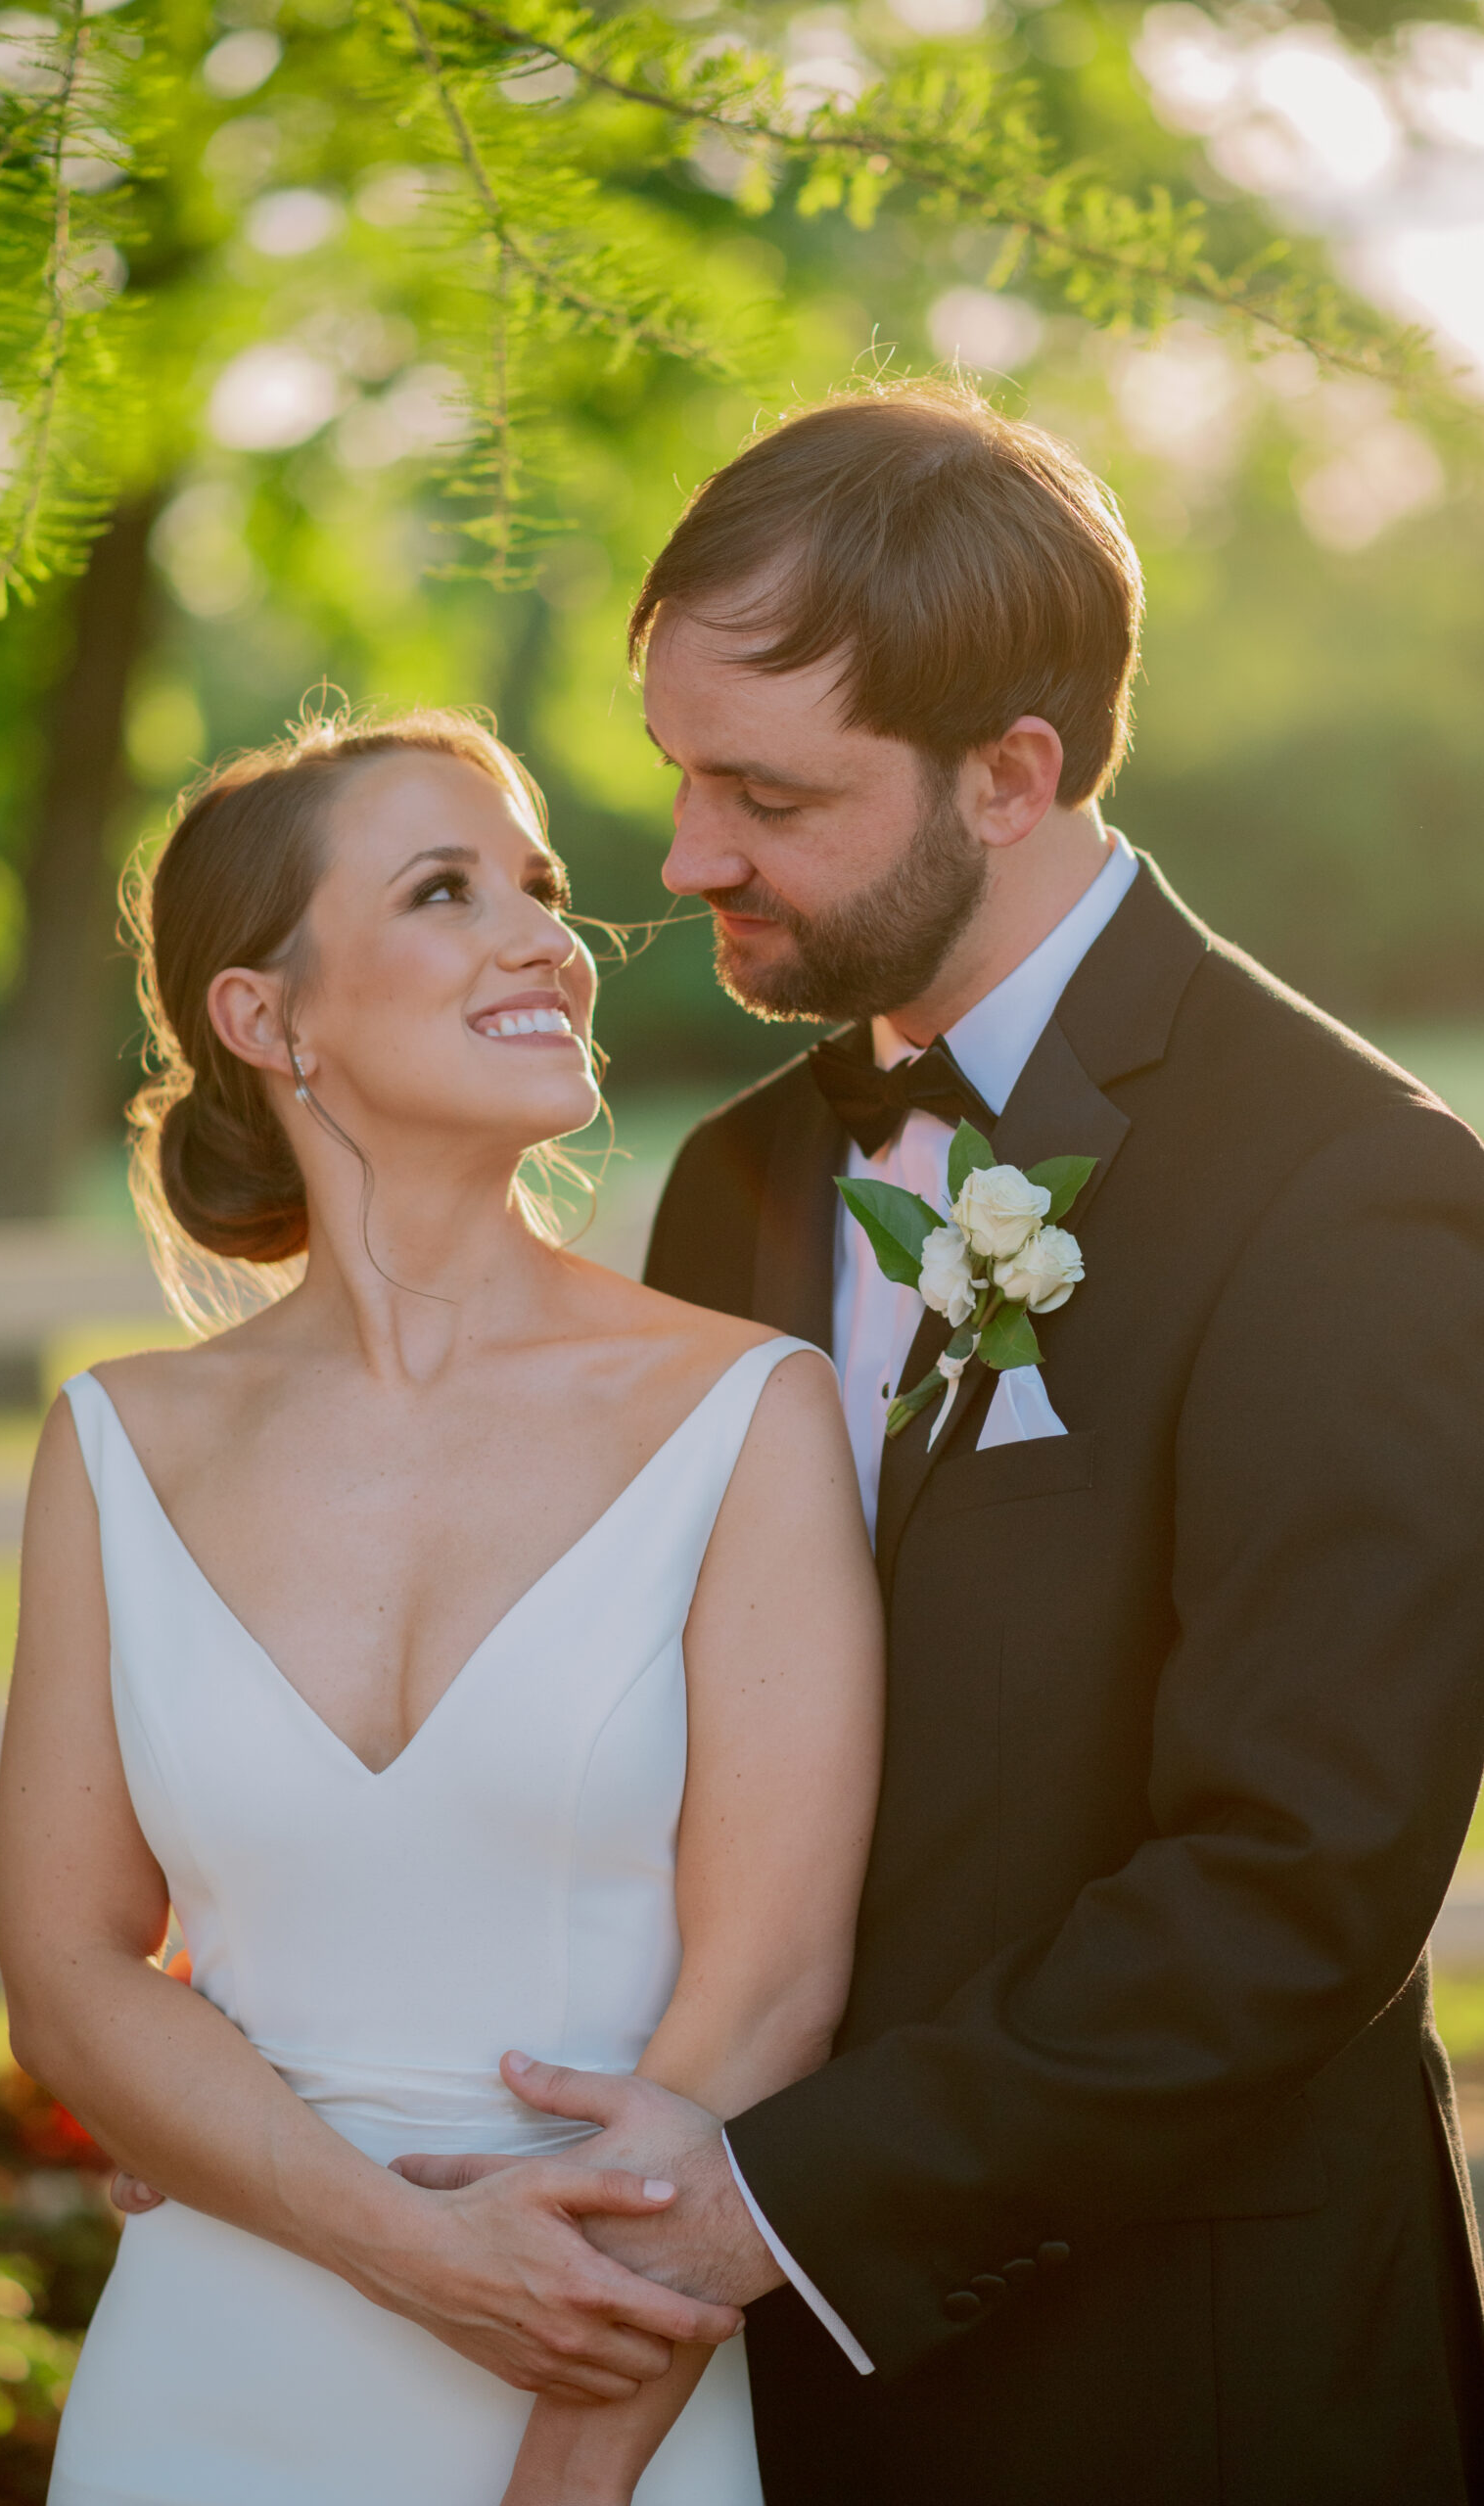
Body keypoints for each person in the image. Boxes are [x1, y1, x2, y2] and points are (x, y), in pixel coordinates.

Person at [393, 385, 1484, 2502]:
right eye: (680, 773)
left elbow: (1295, 1881)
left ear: (1013, 773)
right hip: (779, 2387)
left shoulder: (1355, 1189)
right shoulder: (733, 1179)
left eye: (767, 794)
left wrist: (787, 2196)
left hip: (1197, 2371)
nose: (688, 854)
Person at [0, 706, 884, 2506]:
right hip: (206, 2388)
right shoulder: (114, 1446)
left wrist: (568, 2463)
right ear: (268, 1017)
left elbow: (769, 1988)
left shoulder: (743, 1417)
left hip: (602, 2366)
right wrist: (401, 2250)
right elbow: (71, 1970)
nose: (546, 936)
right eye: (445, 890)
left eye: (539, 889)